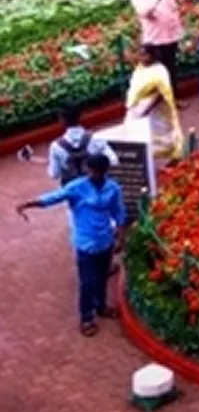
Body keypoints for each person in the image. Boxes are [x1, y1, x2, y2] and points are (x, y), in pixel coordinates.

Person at [16, 151, 125, 336]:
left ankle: (101, 306)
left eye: (99, 172)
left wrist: (120, 237)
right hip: (85, 243)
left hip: (105, 241)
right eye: (92, 171)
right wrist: (29, 204)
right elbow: (53, 198)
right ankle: (86, 317)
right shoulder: (76, 187)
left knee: (102, 277)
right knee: (87, 282)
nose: (95, 175)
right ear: (88, 170)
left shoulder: (113, 188)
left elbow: (118, 212)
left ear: (105, 171)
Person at [125, 44, 184, 161]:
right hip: (137, 107)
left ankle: (169, 159)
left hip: (154, 110)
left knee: (158, 135)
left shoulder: (159, 71)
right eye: (140, 54)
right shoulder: (140, 68)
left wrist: (147, 108)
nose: (141, 58)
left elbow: (162, 93)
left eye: (144, 55)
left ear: (152, 56)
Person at [130, 0, 188, 76]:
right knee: (158, 73)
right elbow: (143, 11)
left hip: (171, 37)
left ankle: (172, 87)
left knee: (171, 70)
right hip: (154, 41)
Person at [45, 104, 117, 185]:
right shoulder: (95, 139)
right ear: (80, 116)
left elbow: (54, 174)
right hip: (94, 187)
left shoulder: (56, 146)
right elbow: (113, 160)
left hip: (70, 189)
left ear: (61, 120)